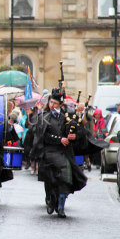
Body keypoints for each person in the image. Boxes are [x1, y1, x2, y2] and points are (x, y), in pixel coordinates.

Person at [33, 89, 87, 218]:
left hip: (64, 153)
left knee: (65, 180)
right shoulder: (44, 117)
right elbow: (42, 135)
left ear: (60, 105)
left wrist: (75, 136)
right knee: (51, 181)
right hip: (49, 153)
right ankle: (52, 200)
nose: (52, 105)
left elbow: (81, 132)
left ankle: (61, 207)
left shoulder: (67, 118)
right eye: (51, 102)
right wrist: (59, 139)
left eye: (55, 103)